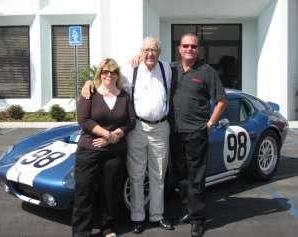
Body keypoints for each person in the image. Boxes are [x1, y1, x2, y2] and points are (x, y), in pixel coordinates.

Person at [81, 37, 174, 234]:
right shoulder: (130, 70)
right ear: (140, 52)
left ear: (160, 52)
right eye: (146, 50)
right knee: (136, 174)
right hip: (137, 127)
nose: (150, 53)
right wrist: (89, 82)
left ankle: (157, 216)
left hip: (160, 127)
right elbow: (107, 84)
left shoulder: (167, 68)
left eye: (154, 50)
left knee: (158, 174)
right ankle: (138, 218)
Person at [170, 33, 227, 237]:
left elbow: (221, 100)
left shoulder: (206, 71)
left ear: (198, 50)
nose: (189, 49)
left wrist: (210, 123)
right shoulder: (171, 69)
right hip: (174, 132)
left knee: (196, 178)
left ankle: (198, 220)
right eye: (185, 45)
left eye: (193, 46)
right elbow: (146, 73)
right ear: (179, 48)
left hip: (196, 132)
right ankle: (189, 210)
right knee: (181, 176)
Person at [72, 58, 135, 237]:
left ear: (117, 75)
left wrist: (116, 136)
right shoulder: (90, 93)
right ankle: (81, 232)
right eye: (105, 72)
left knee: (110, 191)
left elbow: (130, 121)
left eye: (113, 72)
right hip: (89, 150)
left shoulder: (123, 95)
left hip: (114, 151)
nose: (109, 75)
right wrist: (107, 134)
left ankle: (107, 227)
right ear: (100, 74)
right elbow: (83, 120)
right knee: (84, 191)